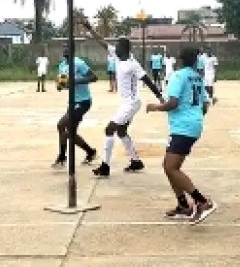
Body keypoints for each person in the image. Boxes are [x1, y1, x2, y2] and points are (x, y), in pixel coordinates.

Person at [79, 16, 163, 177]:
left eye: (117, 44)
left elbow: (148, 80)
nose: (114, 46)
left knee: (109, 129)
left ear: (124, 48)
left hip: (132, 103)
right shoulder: (118, 56)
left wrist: (160, 96)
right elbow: (102, 42)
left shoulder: (132, 64)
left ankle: (105, 166)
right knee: (122, 131)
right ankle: (136, 162)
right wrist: (90, 28)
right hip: (126, 102)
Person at [146, 47, 218, 225]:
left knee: (171, 167)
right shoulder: (196, 77)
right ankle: (183, 205)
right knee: (169, 166)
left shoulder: (178, 76)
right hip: (192, 125)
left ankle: (202, 202)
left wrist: (155, 107)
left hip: (183, 127)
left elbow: (173, 103)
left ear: (179, 59)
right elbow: (204, 106)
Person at [53, 47, 98, 168]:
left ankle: (62, 156)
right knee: (71, 133)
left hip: (83, 101)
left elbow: (93, 77)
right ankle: (90, 152)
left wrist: (76, 81)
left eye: (68, 48)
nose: (65, 50)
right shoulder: (62, 65)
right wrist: (60, 85)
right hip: (72, 102)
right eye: (64, 48)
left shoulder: (79, 63)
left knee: (61, 125)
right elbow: (64, 82)